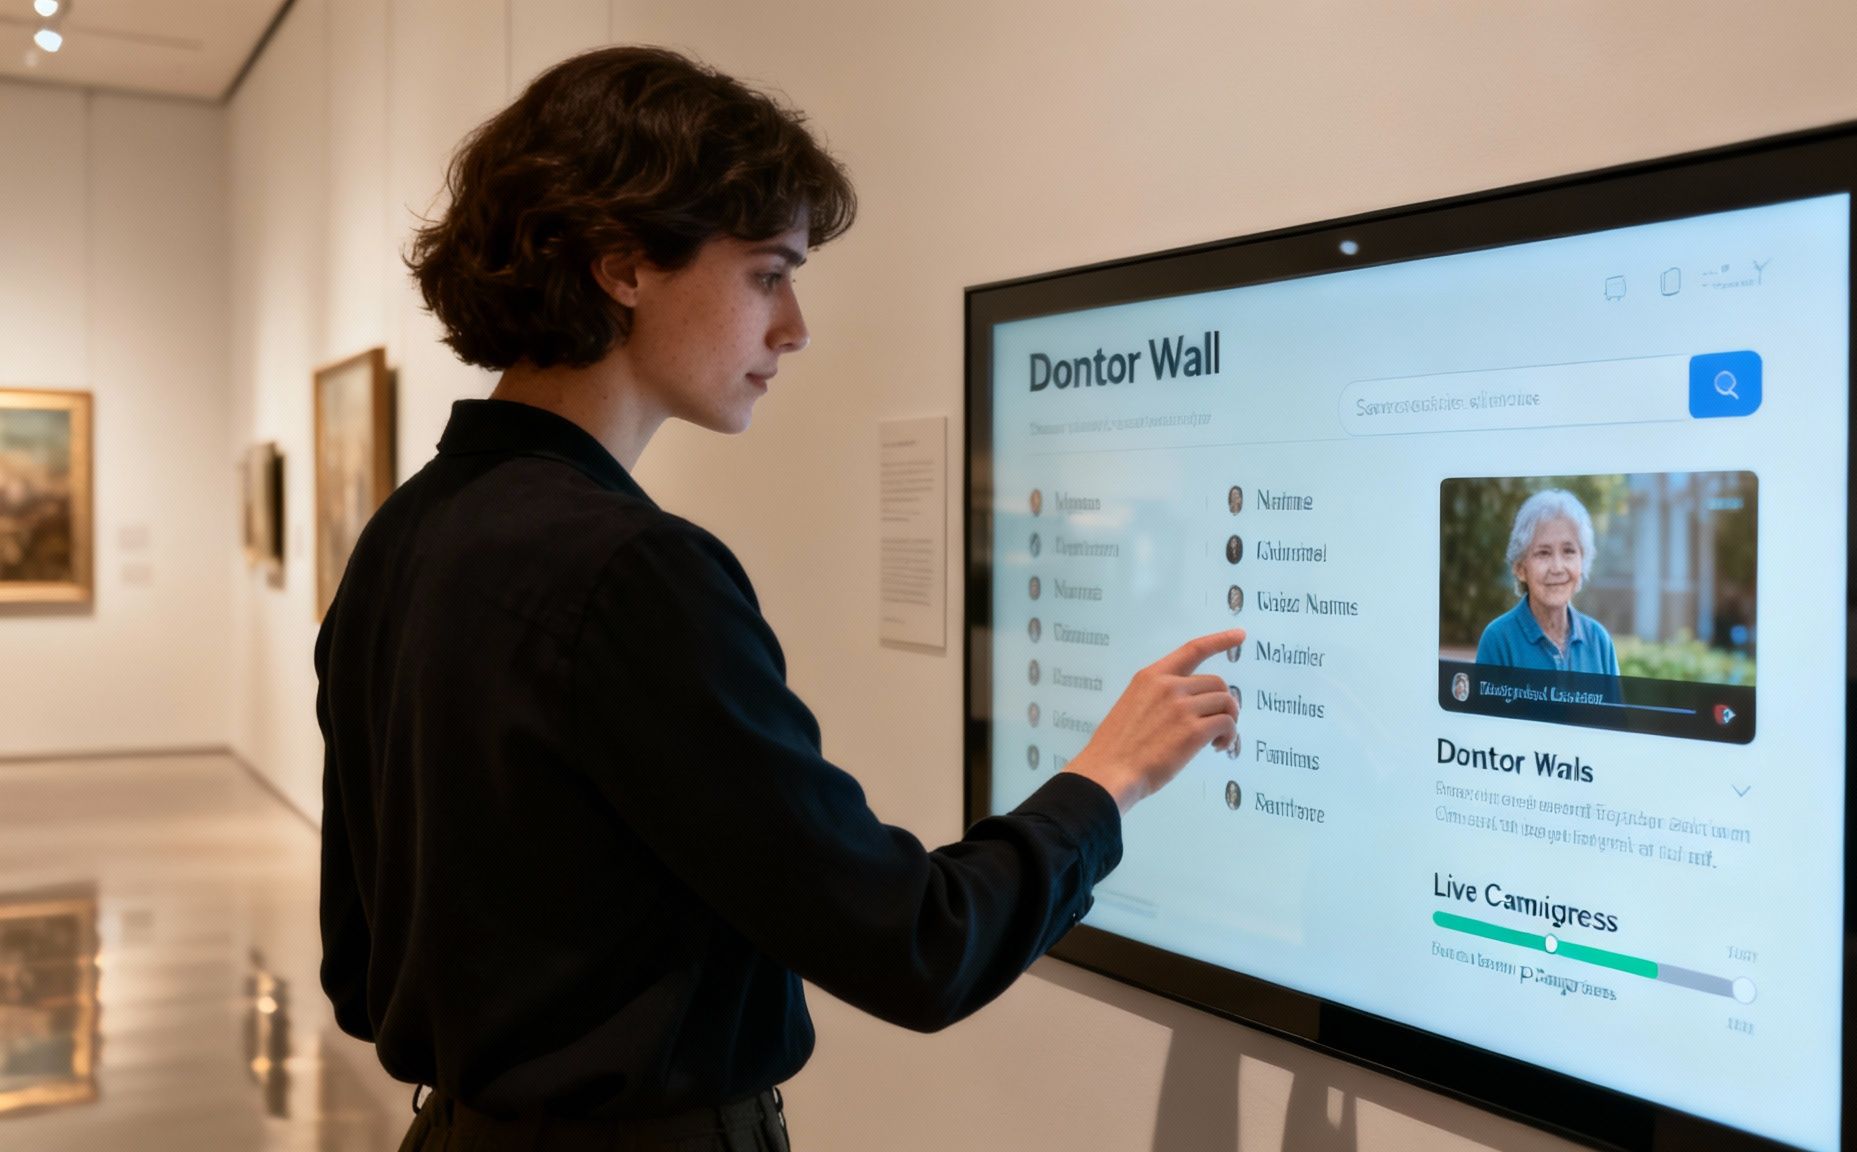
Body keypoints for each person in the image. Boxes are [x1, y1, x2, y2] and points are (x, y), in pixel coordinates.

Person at [315, 46, 1243, 1152]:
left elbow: (359, 973)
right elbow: (916, 947)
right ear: (621, 265)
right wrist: (1105, 779)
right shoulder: (631, 572)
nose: (793, 327)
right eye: (766, 273)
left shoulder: (404, 533)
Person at [1474, 489, 1619, 676]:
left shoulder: (1599, 641)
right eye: (1543, 553)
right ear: (1520, 568)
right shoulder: (1498, 639)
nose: (1557, 568)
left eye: (1568, 551)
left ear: (1582, 562)